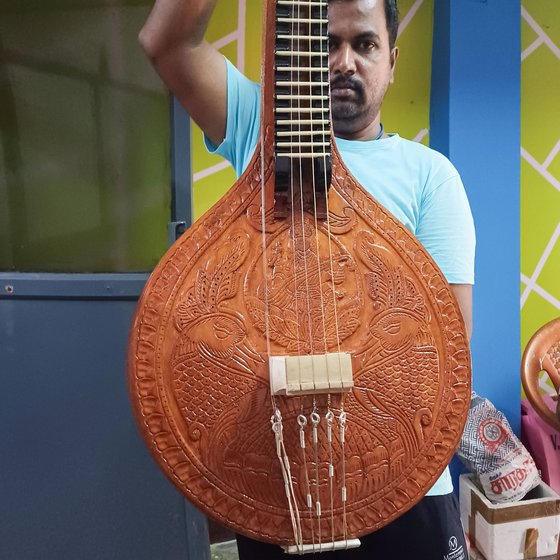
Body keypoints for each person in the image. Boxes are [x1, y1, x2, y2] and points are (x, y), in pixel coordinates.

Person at [139, 0, 475, 558]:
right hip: (276, 487)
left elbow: (446, 354)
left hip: (405, 481)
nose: (343, 61)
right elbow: (166, 43)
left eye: (364, 44)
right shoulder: (259, 124)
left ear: (391, 61)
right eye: (327, 43)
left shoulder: (431, 178)